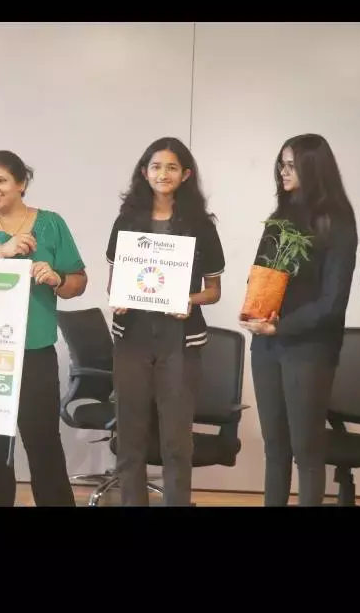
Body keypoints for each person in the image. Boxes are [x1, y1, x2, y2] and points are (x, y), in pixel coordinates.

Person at [0, 150, 87, 507]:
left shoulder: (51, 224)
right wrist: (2, 251)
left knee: (43, 443)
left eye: (1, 180)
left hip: (35, 352)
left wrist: (56, 279)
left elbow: (78, 282)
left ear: (22, 184)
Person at [239, 134, 357, 506]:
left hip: (309, 348)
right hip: (266, 344)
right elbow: (262, 274)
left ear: (313, 168)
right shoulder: (280, 217)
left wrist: (282, 325)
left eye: (291, 165)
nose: (283, 171)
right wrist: (255, 306)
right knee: (274, 446)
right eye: (281, 164)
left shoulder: (337, 222)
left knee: (306, 448)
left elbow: (333, 303)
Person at [105, 137, 224, 507]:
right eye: (156, 166)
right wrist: (119, 299)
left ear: (185, 174)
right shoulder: (127, 221)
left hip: (180, 339)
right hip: (132, 336)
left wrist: (189, 300)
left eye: (172, 167)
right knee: (130, 436)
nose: (163, 174)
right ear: (144, 172)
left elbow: (213, 291)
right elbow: (113, 283)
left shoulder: (201, 226)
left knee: (176, 440)